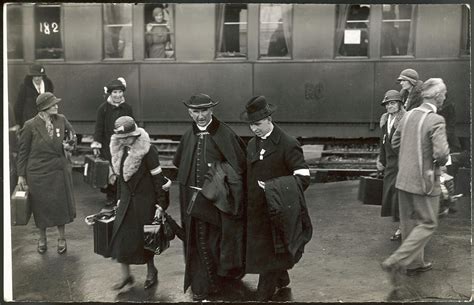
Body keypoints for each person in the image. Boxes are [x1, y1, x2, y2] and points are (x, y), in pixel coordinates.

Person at [173, 93, 246, 301]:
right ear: (189, 112)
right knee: (195, 240)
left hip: (217, 202)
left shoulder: (224, 133)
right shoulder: (188, 135)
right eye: (196, 111)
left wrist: (218, 177)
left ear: (211, 110)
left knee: (217, 240)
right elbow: (181, 164)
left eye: (204, 110)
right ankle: (203, 283)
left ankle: (220, 280)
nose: (200, 116)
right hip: (192, 200)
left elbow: (237, 167)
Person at [381, 78, 450, 295]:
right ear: (438, 97)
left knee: (410, 221)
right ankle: (397, 260)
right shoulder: (436, 119)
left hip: (403, 179)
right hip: (424, 181)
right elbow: (441, 154)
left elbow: (395, 142)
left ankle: (415, 263)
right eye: (444, 95)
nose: (445, 98)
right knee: (428, 223)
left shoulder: (408, 114)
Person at [240, 96, 313, 301]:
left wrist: (274, 188)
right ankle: (282, 278)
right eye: (251, 125)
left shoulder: (288, 143)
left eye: (258, 124)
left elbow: (303, 178)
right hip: (257, 210)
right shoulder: (253, 144)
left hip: (277, 211)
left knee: (270, 252)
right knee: (268, 250)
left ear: (269, 119)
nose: (254, 129)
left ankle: (265, 291)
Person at [108, 116, 171, 291]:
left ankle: (152, 272)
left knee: (148, 239)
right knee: (121, 238)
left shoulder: (148, 151)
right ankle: (126, 276)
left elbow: (158, 179)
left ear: (135, 135)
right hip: (126, 202)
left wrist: (160, 205)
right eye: (121, 138)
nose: (124, 140)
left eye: (127, 137)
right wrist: (119, 199)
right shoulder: (120, 150)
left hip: (145, 202)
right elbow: (121, 179)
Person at [17, 92, 76, 255]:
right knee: (41, 208)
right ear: (44, 108)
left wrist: (70, 145)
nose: (57, 106)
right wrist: (21, 175)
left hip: (58, 170)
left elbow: (73, 137)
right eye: (53, 104)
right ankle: (42, 239)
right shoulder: (30, 125)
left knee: (60, 206)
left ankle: (61, 238)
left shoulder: (61, 120)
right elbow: (23, 152)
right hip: (38, 173)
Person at [91, 77, 134, 206]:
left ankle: (121, 196)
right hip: (108, 145)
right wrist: (97, 143)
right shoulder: (103, 109)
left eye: (120, 92)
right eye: (115, 92)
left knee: (122, 168)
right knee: (111, 170)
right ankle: (110, 196)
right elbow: (98, 127)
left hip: (123, 143)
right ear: (110, 94)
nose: (117, 95)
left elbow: (132, 124)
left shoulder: (127, 108)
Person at [376, 90, 406, 241]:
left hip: (402, 164)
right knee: (392, 196)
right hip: (390, 165)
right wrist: (381, 160)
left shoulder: (405, 119)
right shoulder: (384, 120)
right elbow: (382, 143)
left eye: (392, 103)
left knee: (401, 196)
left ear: (400, 104)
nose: (389, 106)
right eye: (387, 104)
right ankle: (403, 227)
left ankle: (403, 229)